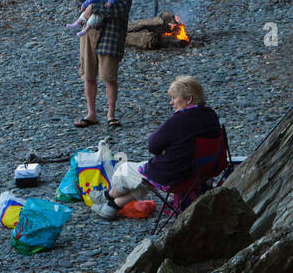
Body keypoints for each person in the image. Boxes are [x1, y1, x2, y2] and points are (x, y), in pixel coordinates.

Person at [95, 75, 222, 220]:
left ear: (189, 99)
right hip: (203, 171)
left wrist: (165, 150)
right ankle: (113, 205)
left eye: (175, 98)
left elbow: (153, 145)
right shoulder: (211, 115)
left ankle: (107, 196)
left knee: (125, 170)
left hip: (177, 175)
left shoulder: (179, 120)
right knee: (144, 178)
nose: (172, 103)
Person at [74, 0, 133, 129]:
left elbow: (121, 9)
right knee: (88, 75)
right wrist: (84, 11)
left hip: (112, 33)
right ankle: (91, 114)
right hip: (88, 32)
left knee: (109, 76)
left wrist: (93, 9)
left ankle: (111, 115)